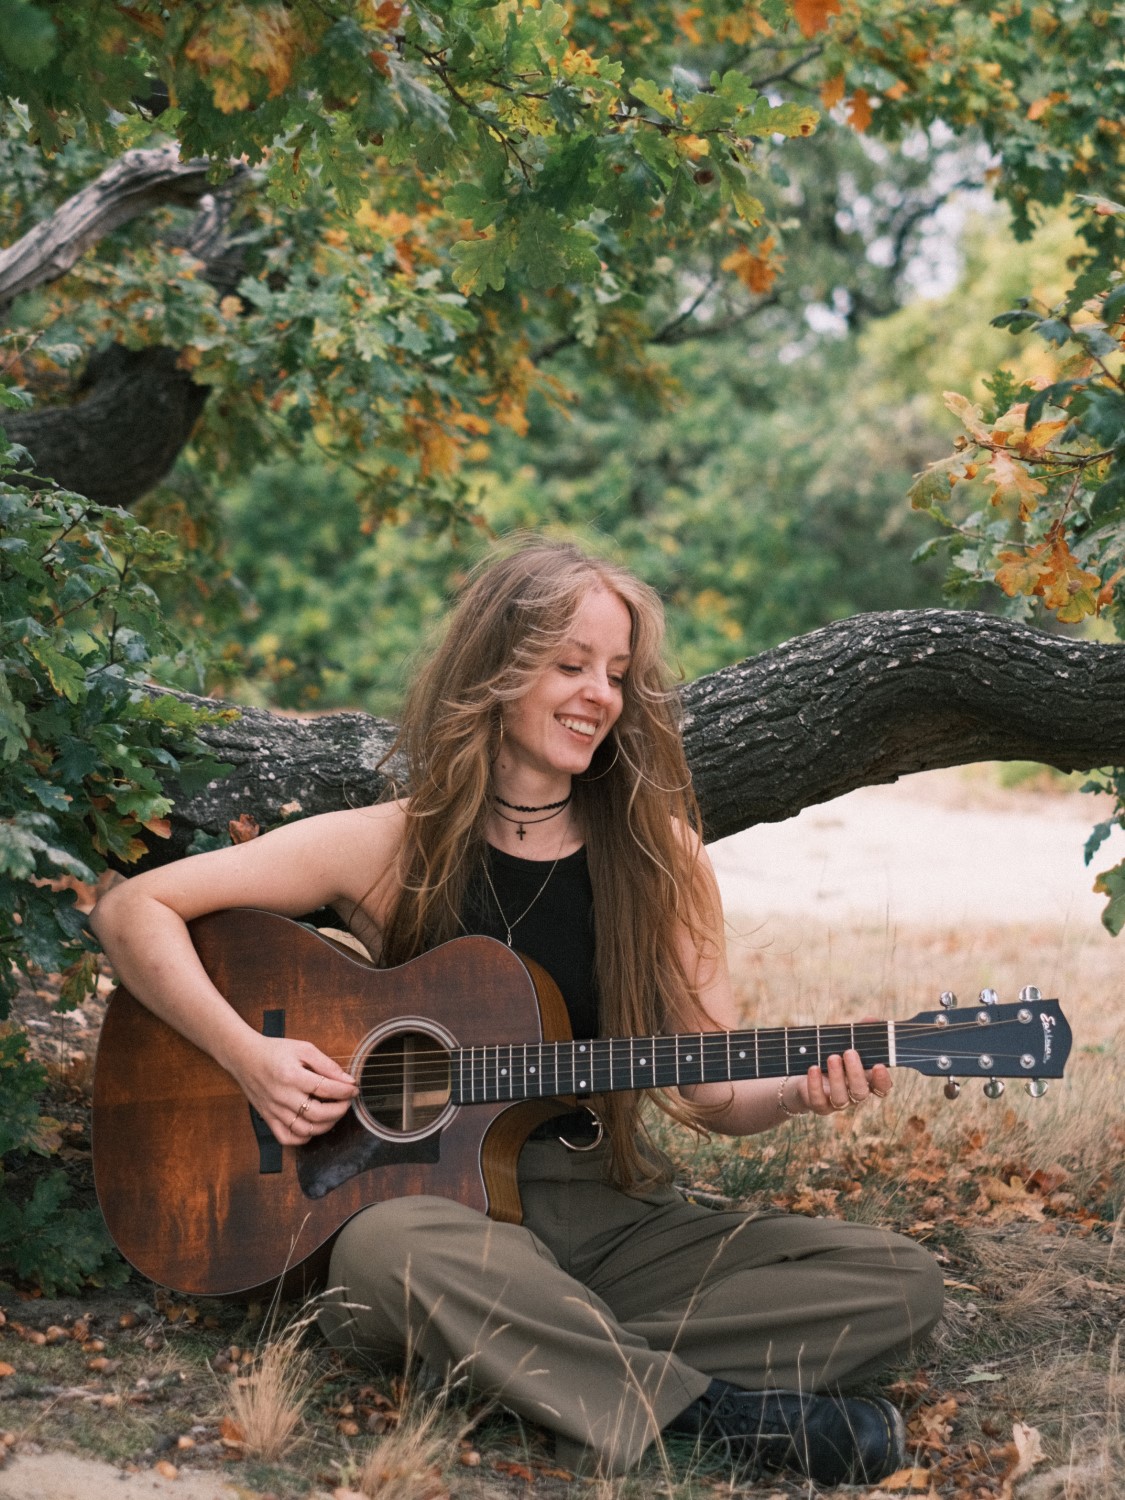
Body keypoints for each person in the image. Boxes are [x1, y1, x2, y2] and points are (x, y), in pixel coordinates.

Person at [91, 538, 943, 1485]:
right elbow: (132, 911)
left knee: (897, 1281)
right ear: (497, 671)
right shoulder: (390, 846)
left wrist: (794, 1092)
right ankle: (709, 1413)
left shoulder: (660, 856)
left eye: (616, 673)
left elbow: (713, 1097)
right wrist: (250, 1056)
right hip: (426, 1220)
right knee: (386, 1252)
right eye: (570, 665)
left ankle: (528, 1361)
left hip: (607, 1212)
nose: (599, 695)